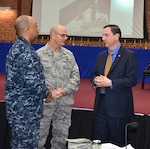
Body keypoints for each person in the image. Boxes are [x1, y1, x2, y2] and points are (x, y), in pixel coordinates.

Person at [5, 15, 52, 149]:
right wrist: (47, 92)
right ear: (27, 29)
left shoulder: (20, 48)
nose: (38, 29)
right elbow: (33, 82)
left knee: (20, 144)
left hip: (23, 110)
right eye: (35, 26)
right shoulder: (24, 52)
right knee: (25, 145)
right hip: (25, 111)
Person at [91, 24, 138, 147]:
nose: (103, 38)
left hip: (119, 108)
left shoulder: (129, 55)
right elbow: (94, 74)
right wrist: (95, 81)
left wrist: (110, 83)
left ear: (116, 36)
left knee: (118, 142)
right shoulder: (101, 56)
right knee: (103, 141)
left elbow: (132, 79)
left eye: (106, 35)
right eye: (102, 35)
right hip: (100, 105)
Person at [36, 25, 80, 149]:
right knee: (38, 139)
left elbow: (76, 77)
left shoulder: (69, 55)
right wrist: (49, 92)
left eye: (66, 35)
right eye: (62, 35)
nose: (66, 38)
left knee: (61, 141)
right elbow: (34, 80)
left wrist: (64, 90)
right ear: (53, 35)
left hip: (63, 105)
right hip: (44, 104)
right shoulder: (39, 55)